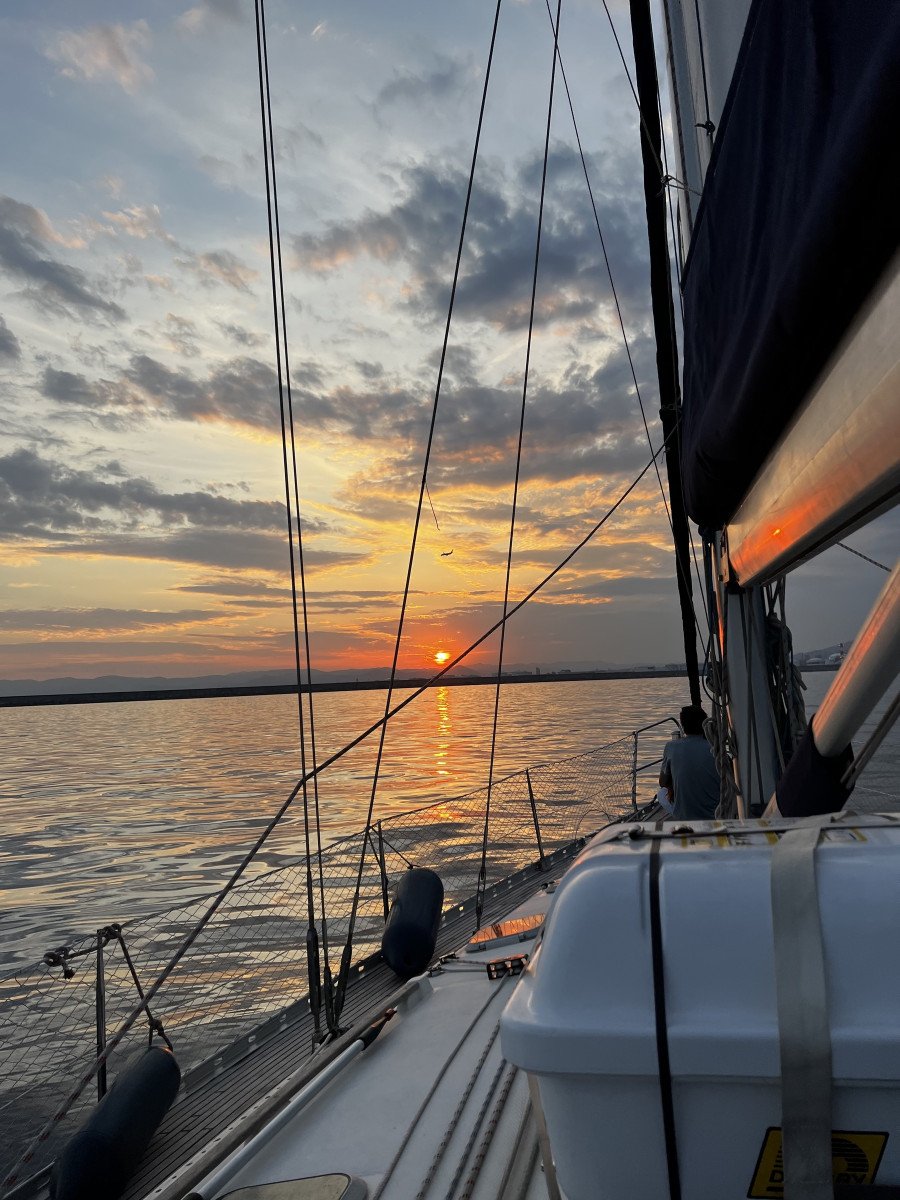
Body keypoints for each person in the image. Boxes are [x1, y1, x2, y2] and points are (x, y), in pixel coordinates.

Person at [658, 704, 720, 821]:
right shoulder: (714, 747)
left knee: (661, 793)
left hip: (684, 816)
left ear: (683, 725)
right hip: (714, 814)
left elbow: (662, 782)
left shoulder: (671, 747)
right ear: (704, 723)